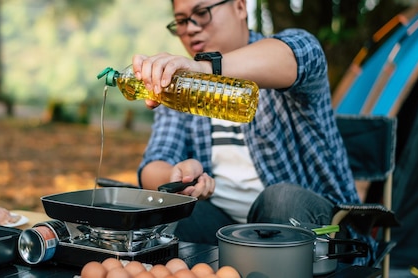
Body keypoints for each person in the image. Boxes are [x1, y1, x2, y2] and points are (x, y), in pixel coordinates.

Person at [132, 0, 374, 265]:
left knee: (280, 200)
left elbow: (304, 52)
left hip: (315, 231)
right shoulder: (177, 89)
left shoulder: (278, 58)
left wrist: (206, 68)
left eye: (202, 13)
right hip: (224, 232)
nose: (190, 29)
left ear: (239, 7)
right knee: (167, 213)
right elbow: (153, 165)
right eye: (180, 21)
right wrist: (176, 176)